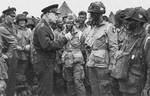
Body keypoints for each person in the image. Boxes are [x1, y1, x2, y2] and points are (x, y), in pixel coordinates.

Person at [33, 4, 69, 96]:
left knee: (47, 88)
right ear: (48, 14)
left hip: (46, 62)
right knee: (45, 90)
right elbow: (47, 46)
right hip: (44, 63)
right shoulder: (42, 27)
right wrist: (64, 39)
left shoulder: (46, 26)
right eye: (55, 15)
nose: (58, 17)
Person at [113, 7, 149, 96]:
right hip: (124, 86)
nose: (127, 22)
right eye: (127, 20)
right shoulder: (128, 38)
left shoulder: (146, 40)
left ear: (139, 22)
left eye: (130, 20)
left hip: (137, 88)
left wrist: (146, 88)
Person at [85, 1, 118, 96]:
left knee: (104, 89)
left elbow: (113, 47)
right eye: (90, 13)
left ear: (99, 14)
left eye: (92, 13)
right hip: (91, 63)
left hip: (103, 65)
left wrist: (112, 65)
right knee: (94, 89)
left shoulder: (109, 27)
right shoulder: (93, 28)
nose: (90, 15)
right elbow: (89, 46)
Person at [62, 14, 86, 96]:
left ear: (74, 23)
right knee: (69, 82)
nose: (69, 24)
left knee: (78, 82)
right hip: (66, 61)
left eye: (71, 22)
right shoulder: (62, 34)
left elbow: (84, 47)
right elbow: (59, 46)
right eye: (67, 23)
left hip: (77, 61)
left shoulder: (80, 34)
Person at [0, 7, 21, 96]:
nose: (13, 18)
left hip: (14, 56)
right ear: (5, 16)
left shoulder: (13, 27)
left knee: (12, 79)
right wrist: (8, 55)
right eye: (11, 16)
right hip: (6, 58)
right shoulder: (2, 28)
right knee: (6, 80)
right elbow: (13, 41)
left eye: (14, 16)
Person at [15, 14, 32, 95]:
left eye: (23, 21)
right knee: (18, 72)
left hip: (26, 55)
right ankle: (19, 91)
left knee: (25, 71)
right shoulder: (14, 30)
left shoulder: (29, 30)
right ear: (17, 22)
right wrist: (17, 47)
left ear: (26, 22)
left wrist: (28, 46)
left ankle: (25, 90)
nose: (22, 22)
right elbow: (12, 41)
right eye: (20, 21)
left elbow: (32, 41)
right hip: (17, 55)